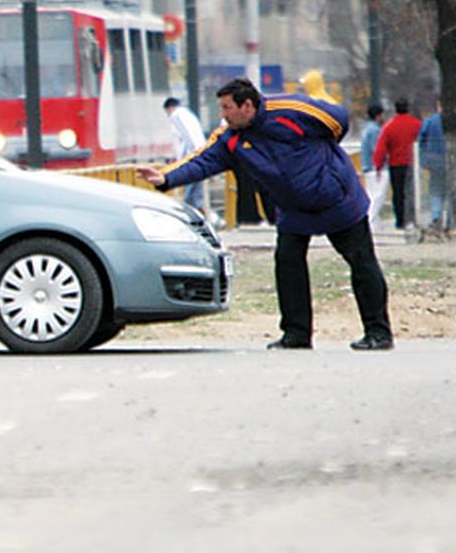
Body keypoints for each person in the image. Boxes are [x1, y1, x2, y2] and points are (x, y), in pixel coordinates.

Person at [138, 78, 394, 351]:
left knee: (362, 262)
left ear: (247, 105)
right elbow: (203, 160)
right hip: (292, 208)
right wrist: (165, 177)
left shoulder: (290, 108)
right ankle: (296, 334)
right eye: (221, 108)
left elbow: (338, 119)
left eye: (227, 108)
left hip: (336, 198)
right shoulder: (230, 137)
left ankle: (378, 332)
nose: (223, 115)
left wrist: (322, 161)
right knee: (287, 263)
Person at [372, 98, 422, 229]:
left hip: (396, 164)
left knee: (398, 193)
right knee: (412, 191)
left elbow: (381, 148)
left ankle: (400, 220)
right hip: (413, 163)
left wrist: (378, 166)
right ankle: (412, 218)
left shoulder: (389, 126)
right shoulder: (416, 124)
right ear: (408, 108)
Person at [162, 97, 214, 221]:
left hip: (192, 159)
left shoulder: (177, 116)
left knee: (189, 193)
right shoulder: (188, 115)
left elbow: (188, 138)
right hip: (198, 156)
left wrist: (194, 156)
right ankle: (200, 219)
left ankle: (188, 219)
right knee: (196, 194)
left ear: (169, 108)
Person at [359, 103, 389, 227]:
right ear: (378, 116)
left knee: (372, 193)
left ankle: (374, 220)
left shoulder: (367, 129)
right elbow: (377, 149)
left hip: (367, 166)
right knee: (379, 194)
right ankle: (370, 219)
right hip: (376, 167)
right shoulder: (375, 131)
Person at [418, 104, 446, 229]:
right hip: (451, 160)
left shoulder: (430, 121)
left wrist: (423, 159)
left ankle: (436, 216)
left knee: (435, 190)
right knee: (451, 191)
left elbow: (421, 140)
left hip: (434, 160)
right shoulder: (455, 121)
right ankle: (451, 218)